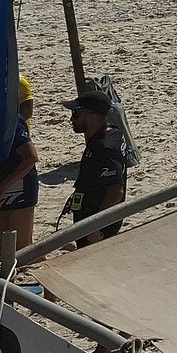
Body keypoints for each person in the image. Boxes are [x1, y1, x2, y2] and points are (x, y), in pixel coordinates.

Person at [63, 94, 129, 244]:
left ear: (92, 116)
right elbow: (98, 176)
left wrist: (95, 228)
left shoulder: (105, 147)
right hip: (91, 220)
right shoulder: (113, 133)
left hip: (97, 228)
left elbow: (116, 192)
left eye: (76, 114)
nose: (72, 119)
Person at [0, 108, 40, 271]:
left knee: (22, 249)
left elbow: (31, 158)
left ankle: (46, 282)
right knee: (2, 246)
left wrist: (0, 190)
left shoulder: (11, 122)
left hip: (19, 191)